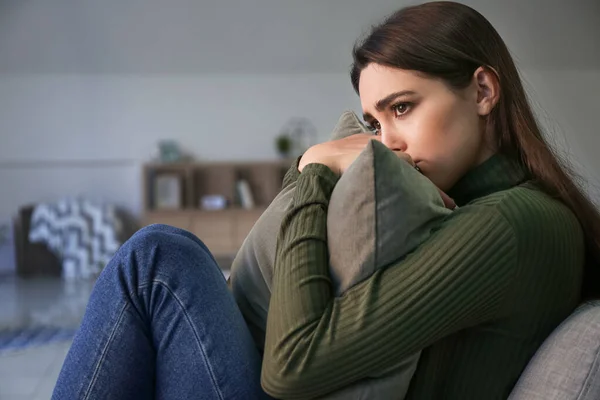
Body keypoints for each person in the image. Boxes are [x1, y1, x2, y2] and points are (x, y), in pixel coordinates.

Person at [52, 2, 600, 399]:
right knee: (164, 257)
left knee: (157, 260)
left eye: (403, 108)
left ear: (482, 91)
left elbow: (291, 367)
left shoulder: (513, 224)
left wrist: (313, 173)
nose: (386, 144)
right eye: (374, 123)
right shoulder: (461, 209)